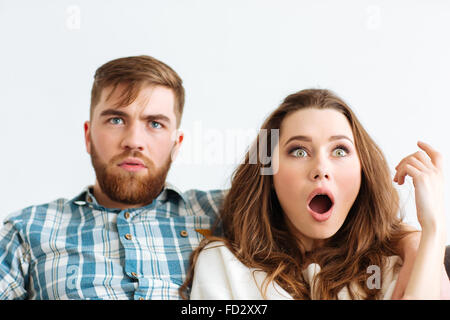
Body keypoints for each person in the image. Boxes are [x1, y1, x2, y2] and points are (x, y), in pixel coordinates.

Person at [182, 89, 450, 300]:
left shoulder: (394, 266)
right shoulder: (224, 266)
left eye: (340, 150)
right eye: (299, 151)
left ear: (362, 171)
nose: (321, 168)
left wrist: (433, 228)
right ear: (269, 173)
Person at [0, 55, 224, 299]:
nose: (134, 142)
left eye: (155, 124)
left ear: (176, 144)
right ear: (88, 136)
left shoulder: (225, 212)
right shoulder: (27, 229)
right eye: (116, 120)